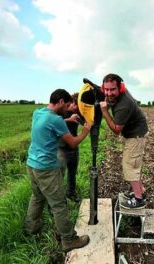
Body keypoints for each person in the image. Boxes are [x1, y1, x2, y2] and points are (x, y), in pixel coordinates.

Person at [24, 89, 91, 252]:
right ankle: (68, 240)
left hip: (31, 165)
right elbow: (73, 143)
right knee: (59, 205)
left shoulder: (38, 112)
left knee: (37, 197)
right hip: (46, 168)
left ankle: (30, 230)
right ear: (61, 101)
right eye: (67, 105)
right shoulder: (56, 120)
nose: (68, 108)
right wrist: (85, 131)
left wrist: (68, 118)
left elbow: (50, 124)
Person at [99, 73, 148, 209]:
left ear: (120, 88)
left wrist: (104, 111)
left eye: (112, 89)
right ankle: (140, 191)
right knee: (133, 164)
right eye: (106, 89)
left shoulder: (124, 104)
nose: (109, 93)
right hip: (133, 133)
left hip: (136, 135)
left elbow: (116, 129)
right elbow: (107, 93)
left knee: (129, 165)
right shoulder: (118, 91)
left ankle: (138, 199)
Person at [58, 93, 83, 202]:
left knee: (72, 172)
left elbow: (87, 121)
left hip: (74, 147)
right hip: (61, 149)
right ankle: (58, 199)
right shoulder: (61, 112)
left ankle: (71, 193)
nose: (75, 107)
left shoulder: (77, 113)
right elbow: (53, 123)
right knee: (59, 176)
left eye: (78, 105)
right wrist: (69, 119)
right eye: (74, 103)